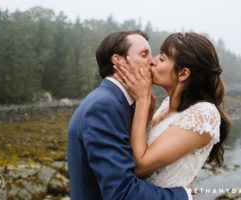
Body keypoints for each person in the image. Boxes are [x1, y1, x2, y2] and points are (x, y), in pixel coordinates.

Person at [67, 30, 191, 200]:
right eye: (144, 54)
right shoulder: (104, 106)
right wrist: (183, 195)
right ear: (118, 61)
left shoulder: (118, 103)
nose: (152, 61)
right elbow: (122, 193)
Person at [114, 32, 231, 190]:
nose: (152, 61)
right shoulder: (166, 104)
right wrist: (147, 114)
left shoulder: (204, 114)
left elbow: (140, 165)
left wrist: (142, 101)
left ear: (183, 74)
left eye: (161, 59)